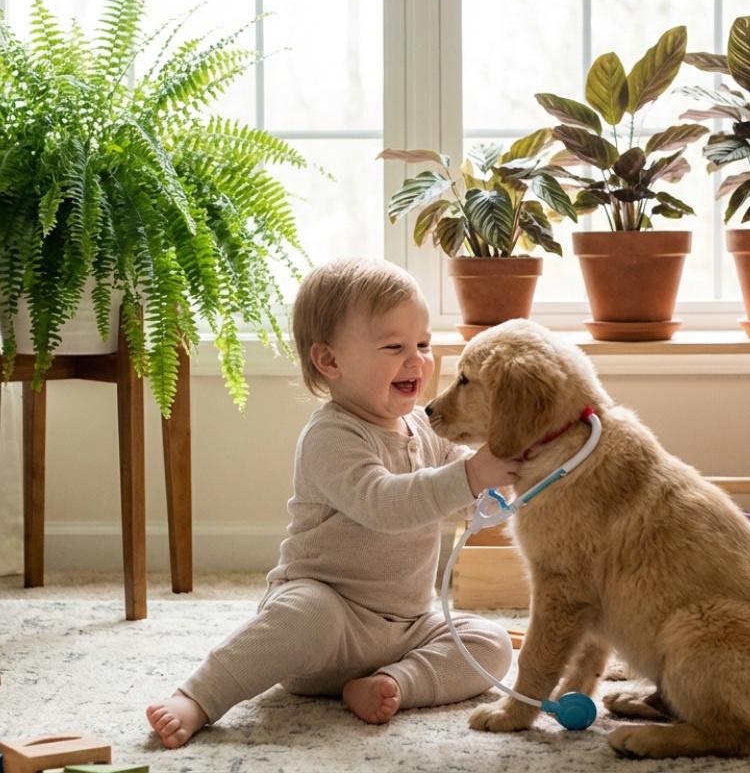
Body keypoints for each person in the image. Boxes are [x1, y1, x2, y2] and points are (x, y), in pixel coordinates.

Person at [146, 257, 521, 749]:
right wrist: (471, 475)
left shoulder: (429, 428)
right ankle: (198, 696)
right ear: (330, 362)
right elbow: (387, 505)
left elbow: (473, 501)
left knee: (491, 646)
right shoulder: (332, 436)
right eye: (395, 347)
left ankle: (393, 684)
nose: (418, 360)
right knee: (307, 613)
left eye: (424, 344)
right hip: (329, 622)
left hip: (409, 624)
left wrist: (498, 487)